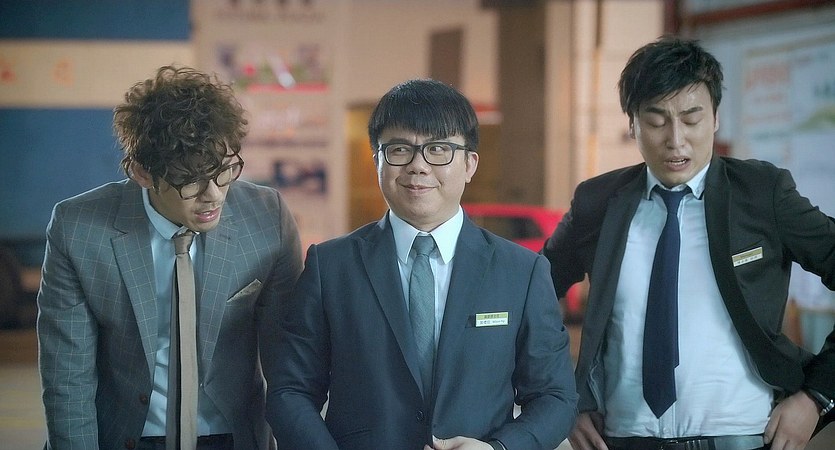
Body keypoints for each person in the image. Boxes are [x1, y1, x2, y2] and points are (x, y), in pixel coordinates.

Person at [542, 36, 835, 450]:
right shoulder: (598, 203)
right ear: (632, 124)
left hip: (743, 436)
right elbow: (529, 300)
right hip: (624, 439)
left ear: (715, 118)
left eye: (692, 119)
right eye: (656, 121)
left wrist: (817, 397)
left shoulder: (761, 194)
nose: (676, 139)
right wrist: (563, 399)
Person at [266, 78, 578, 450]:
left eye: (438, 149)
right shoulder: (331, 267)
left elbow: (555, 397)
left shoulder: (521, 272)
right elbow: (291, 391)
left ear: (470, 164)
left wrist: (500, 449)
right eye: (399, 149)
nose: (418, 166)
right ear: (377, 161)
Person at [36, 65, 303, 449]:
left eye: (225, 171)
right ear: (142, 173)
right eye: (190, 179)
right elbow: (67, 378)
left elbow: (289, 364)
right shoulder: (78, 229)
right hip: (126, 437)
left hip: (233, 436)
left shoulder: (266, 217)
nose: (213, 195)